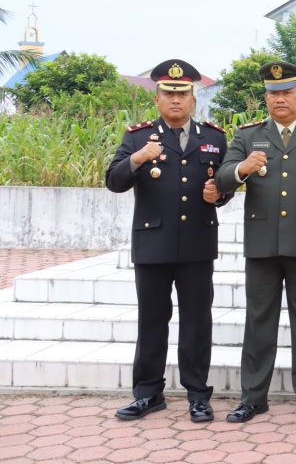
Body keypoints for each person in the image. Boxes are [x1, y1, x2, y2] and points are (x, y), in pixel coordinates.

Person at [215, 61, 296, 425]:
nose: (280, 99)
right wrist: (242, 169)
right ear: (266, 97)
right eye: (273, 93)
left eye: (287, 92)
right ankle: (252, 397)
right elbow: (222, 179)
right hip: (261, 245)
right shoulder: (247, 136)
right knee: (259, 322)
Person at [105, 59, 232, 422]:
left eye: (183, 93)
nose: (176, 100)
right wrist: (138, 158)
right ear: (157, 98)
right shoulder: (137, 136)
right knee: (151, 320)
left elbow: (226, 186)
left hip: (196, 242)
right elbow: (113, 181)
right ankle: (148, 394)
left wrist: (218, 197)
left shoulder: (214, 137)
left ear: (193, 98)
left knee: (196, 320)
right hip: (153, 242)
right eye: (168, 93)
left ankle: (197, 394)